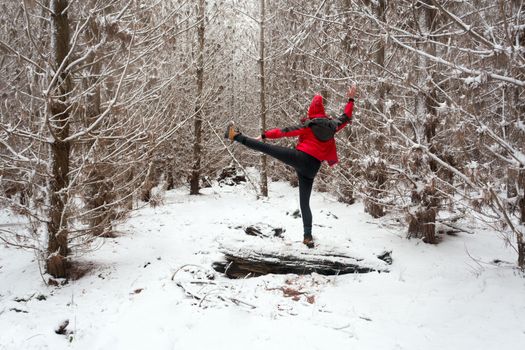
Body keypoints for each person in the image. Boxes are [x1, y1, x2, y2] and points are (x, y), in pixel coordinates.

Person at [225, 85, 356, 248]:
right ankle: (307, 236)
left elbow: (284, 131)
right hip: (312, 168)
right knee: (305, 203)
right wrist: (351, 99)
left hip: (300, 158)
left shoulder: (309, 125)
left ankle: (234, 136)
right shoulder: (333, 125)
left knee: (268, 148)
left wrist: (265, 135)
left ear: (311, 110)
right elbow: (346, 116)